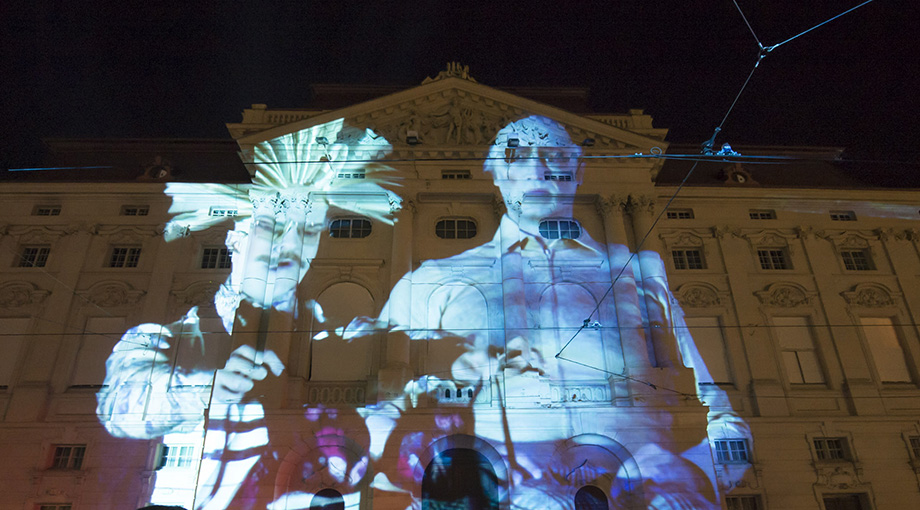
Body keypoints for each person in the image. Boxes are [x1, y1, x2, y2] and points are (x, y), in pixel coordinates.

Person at [360, 115, 745, 509]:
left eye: (554, 154)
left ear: (578, 169)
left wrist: (706, 451)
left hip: (643, 455)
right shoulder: (432, 279)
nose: (537, 167)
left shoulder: (634, 273)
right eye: (517, 155)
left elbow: (707, 393)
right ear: (494, 173)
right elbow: (387, 407)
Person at [96, 120, 398, 510]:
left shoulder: (332, 326)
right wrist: (209, 388)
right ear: (234, 244)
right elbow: (118, 406)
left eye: (306, 233)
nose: (289, 249)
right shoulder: (167, 334)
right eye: (277, 229)